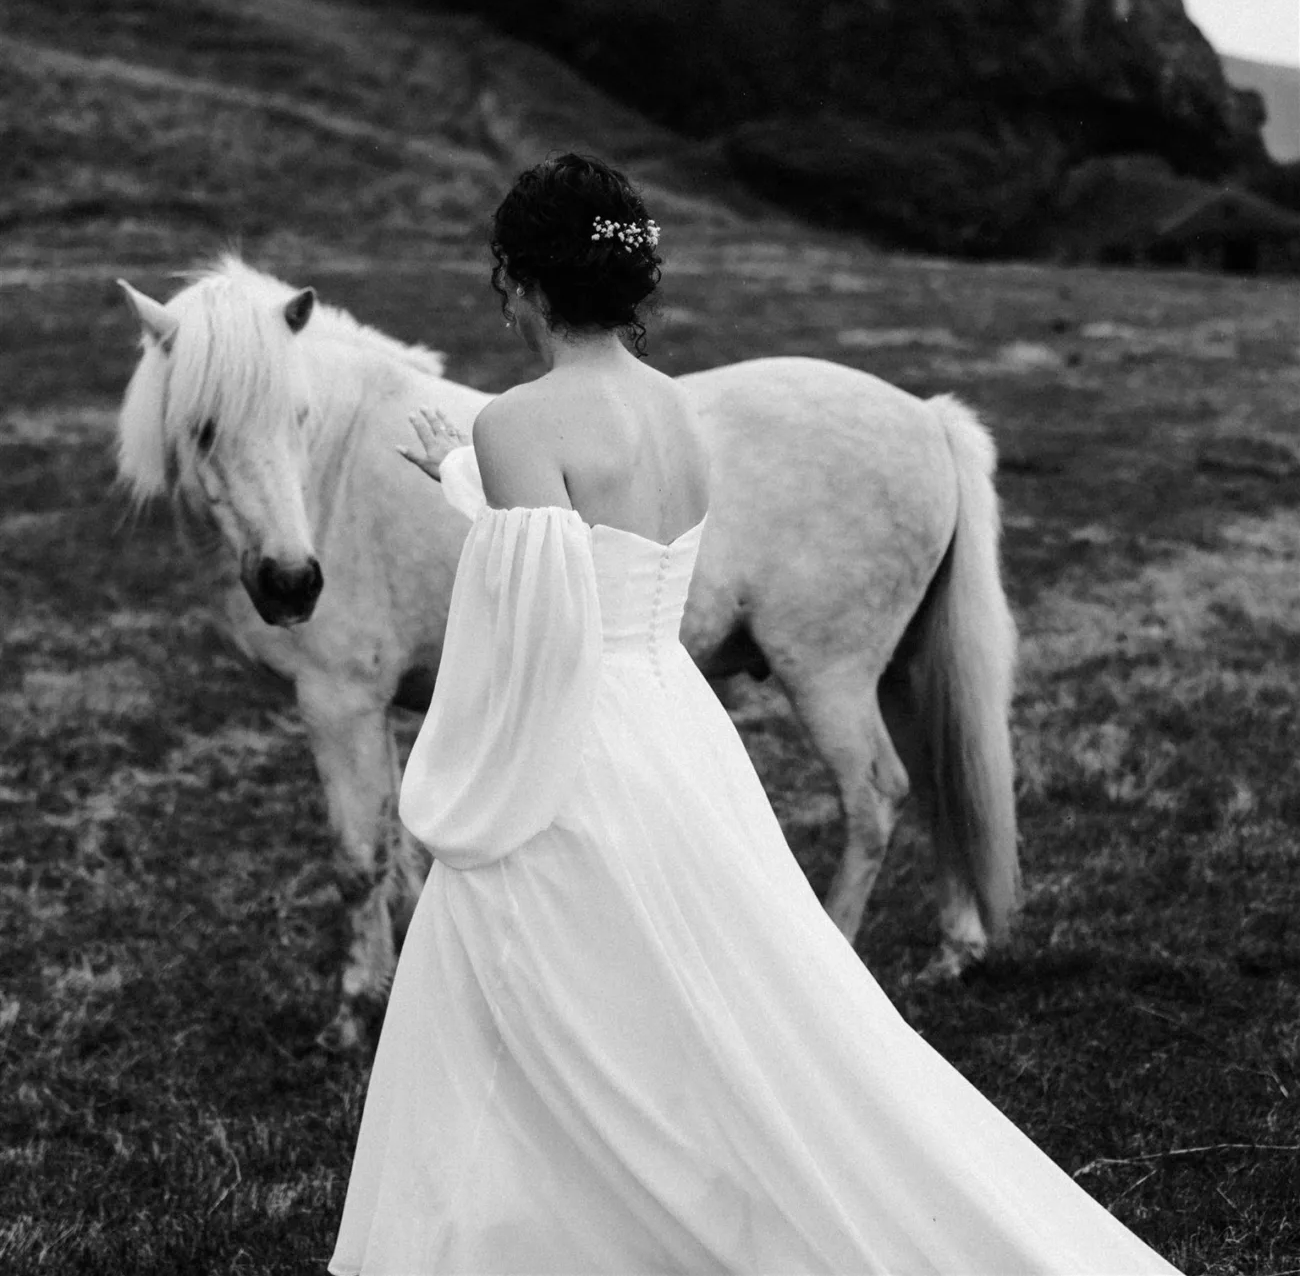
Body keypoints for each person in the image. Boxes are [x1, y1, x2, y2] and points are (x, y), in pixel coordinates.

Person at [330, 153, 1180, 1275]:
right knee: (698, 988)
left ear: (523, 283)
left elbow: (541, 620)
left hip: (581, 741)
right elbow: (595, 547)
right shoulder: (677, 410)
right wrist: (464, 479)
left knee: (532, 981)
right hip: (674, 724)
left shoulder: (519, 421)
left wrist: (462, 778)